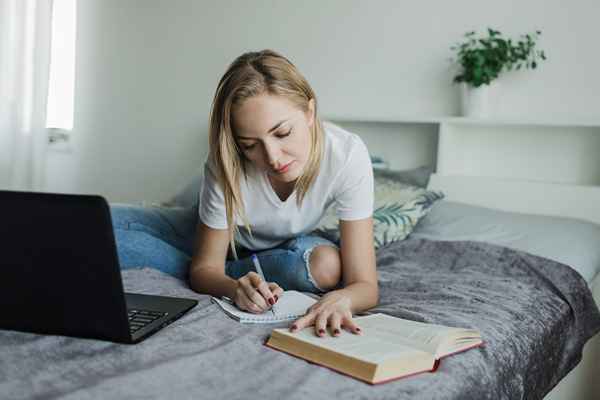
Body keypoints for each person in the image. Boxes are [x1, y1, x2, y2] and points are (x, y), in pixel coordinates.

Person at [112, 49, 378, 337]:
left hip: (288, 248)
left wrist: (343, 298)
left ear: (310, 113)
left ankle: (223, 268)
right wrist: (231, 286)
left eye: (282, 133)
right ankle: (235, 271)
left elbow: (364, 284)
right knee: (93, 225)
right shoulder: (225, 160)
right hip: (217, 236)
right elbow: (205, 268)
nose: (273, 157)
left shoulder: (347, 155)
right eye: (250, 145)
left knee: (326, 266)